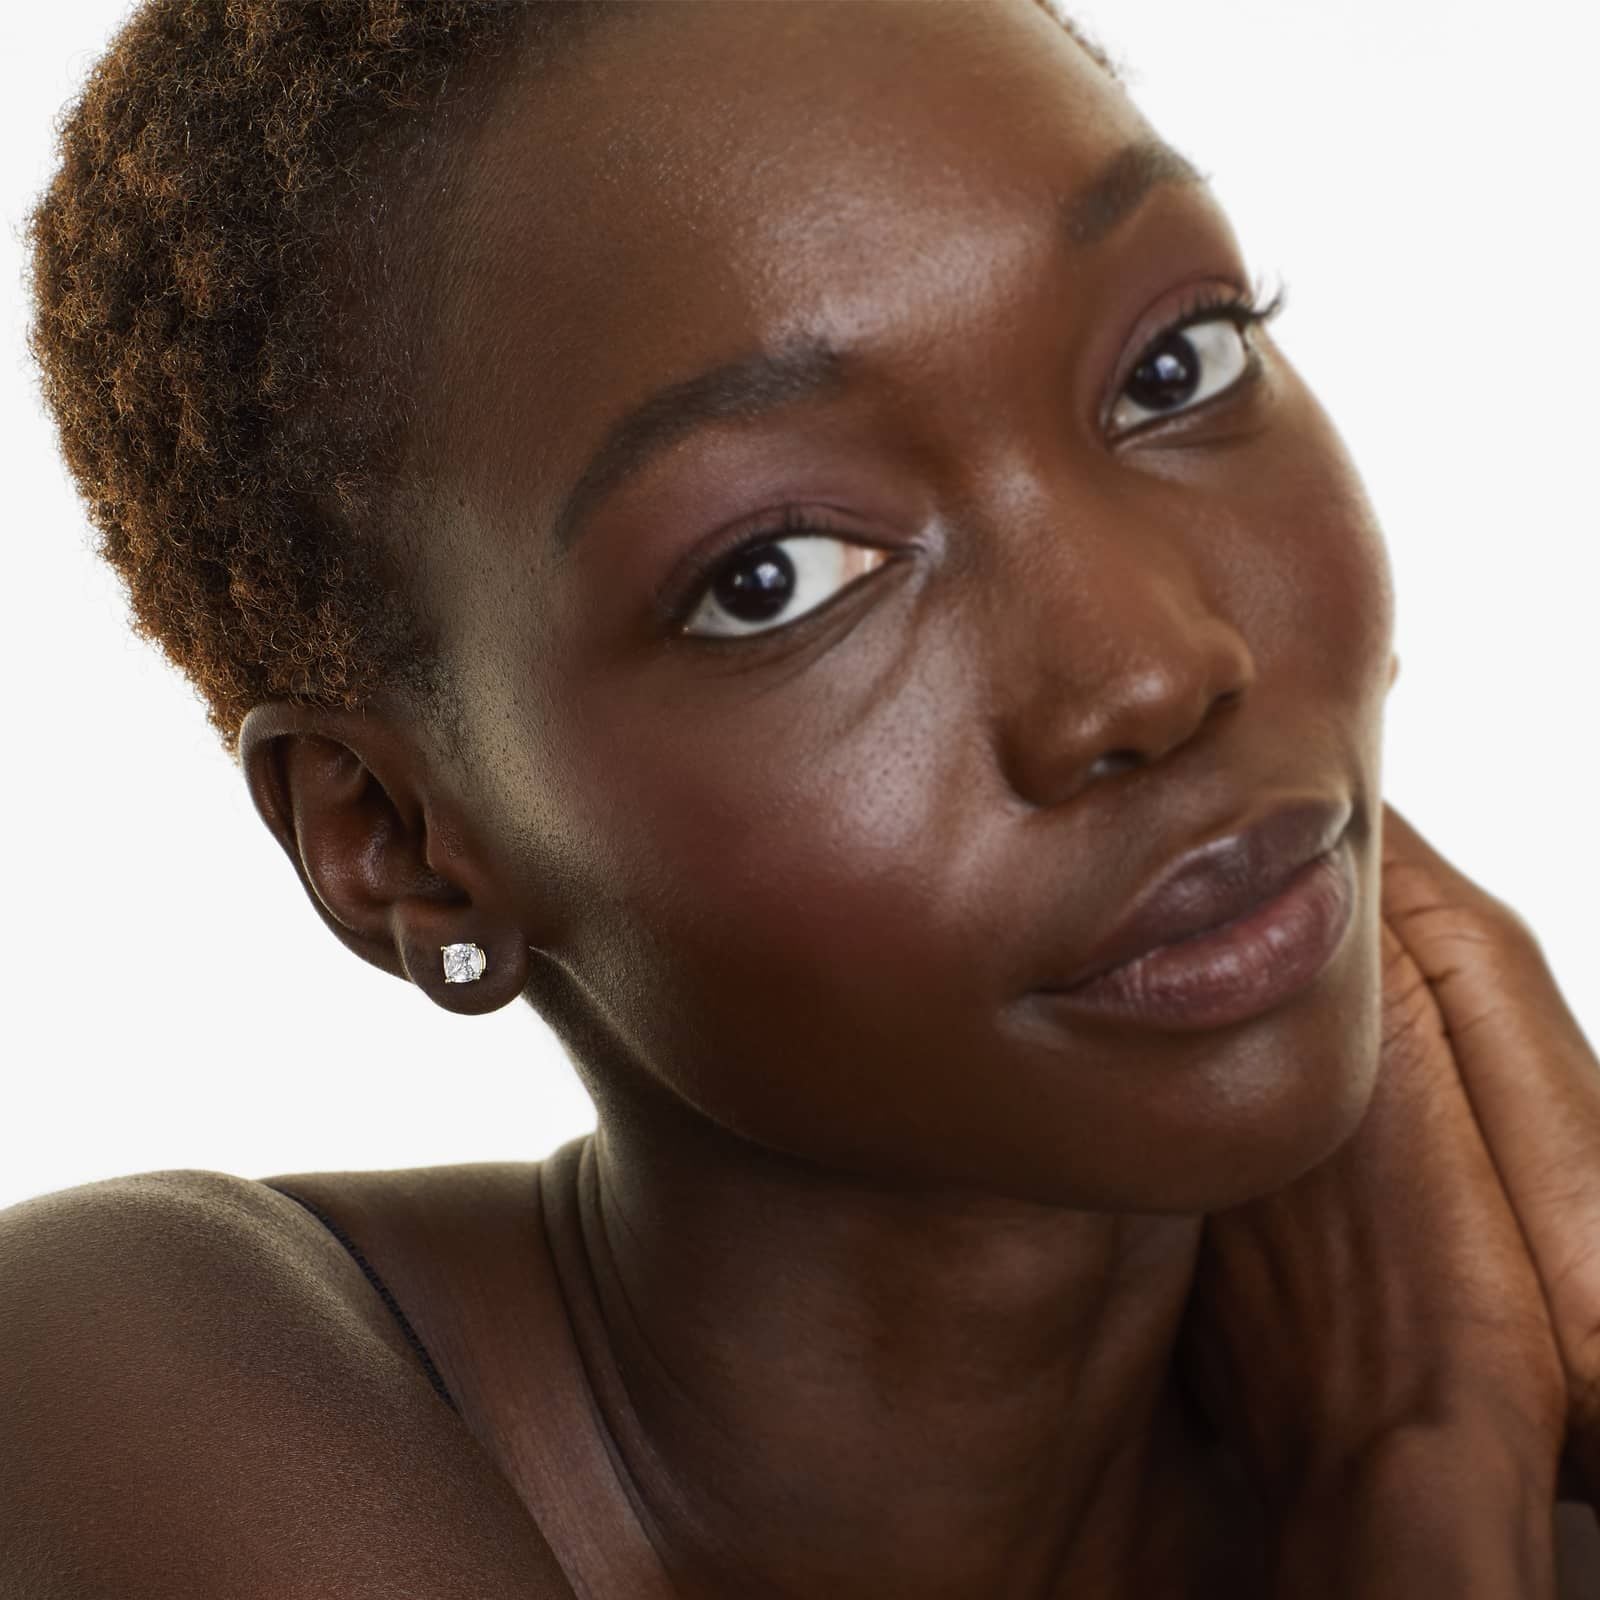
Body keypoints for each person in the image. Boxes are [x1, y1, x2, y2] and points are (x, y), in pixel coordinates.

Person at [9, 1, 1600, 1593]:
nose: (1157, 670)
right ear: (395, 840)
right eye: (775, 575)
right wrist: (1421, 1477)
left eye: (1177, 365)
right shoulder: (137, 1385)